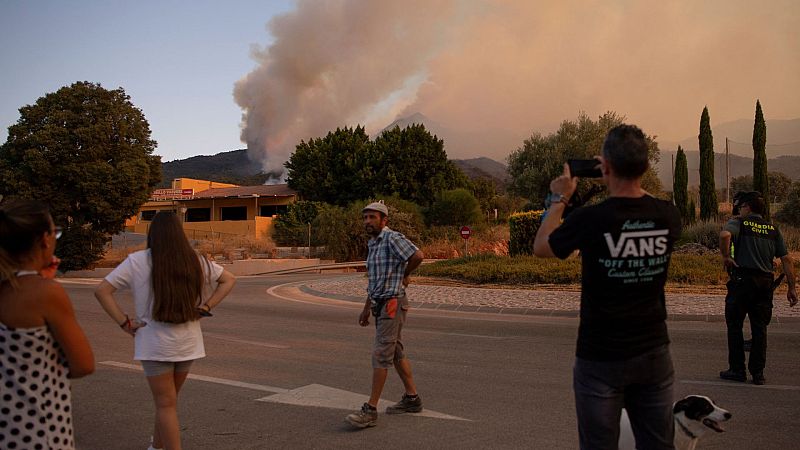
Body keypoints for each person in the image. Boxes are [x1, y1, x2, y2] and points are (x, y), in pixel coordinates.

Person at [533, 125, 682, 449]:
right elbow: (642, 204)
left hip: (600, 356)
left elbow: (542, 246)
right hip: (653, 351)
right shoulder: (667, 216)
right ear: (645, 166)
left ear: (606, 166)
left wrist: (560, 197)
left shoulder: (591, 219)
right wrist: (618, 176)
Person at [94, 212, 236, 450]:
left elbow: (102, 291)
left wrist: (124, 323)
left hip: (154, 344)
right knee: (168, 403)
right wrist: (205, 307)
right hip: (187, 343)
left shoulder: (137, 261)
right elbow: (229, 279)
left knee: (165, 404)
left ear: (153, 234)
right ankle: (157, 447)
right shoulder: (195, 260)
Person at [0, 199, 95, 450]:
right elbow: (83, 364)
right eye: (56, 232)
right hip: (37, 428)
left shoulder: (10, 287)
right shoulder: (45, 293)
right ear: (45, 239)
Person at [345, 201, 425, 428]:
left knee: (381, 353)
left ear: (384, 220)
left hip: (392, 303)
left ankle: (370, 410)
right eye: (365, 217)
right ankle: (412, 399)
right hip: (380, 303)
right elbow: (375, 280)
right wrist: (366, 308)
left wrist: (404, 274)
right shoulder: (373, 243)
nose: (367, 221)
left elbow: (418, 256)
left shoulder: (391, 238)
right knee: (395, 351)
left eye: (372, 217)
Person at [718, 191, 797, 385]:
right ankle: (758, 373)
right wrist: (792, 288)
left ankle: (737, 370)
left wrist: (726, 256)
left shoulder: (739, 223)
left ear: (747, 207)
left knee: (735, 326)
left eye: (740, 207)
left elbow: (725, 235)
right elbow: (787, 259)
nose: (739, 210)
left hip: (742, 282)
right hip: (765, 284)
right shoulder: (773, 229)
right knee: (760, 328)